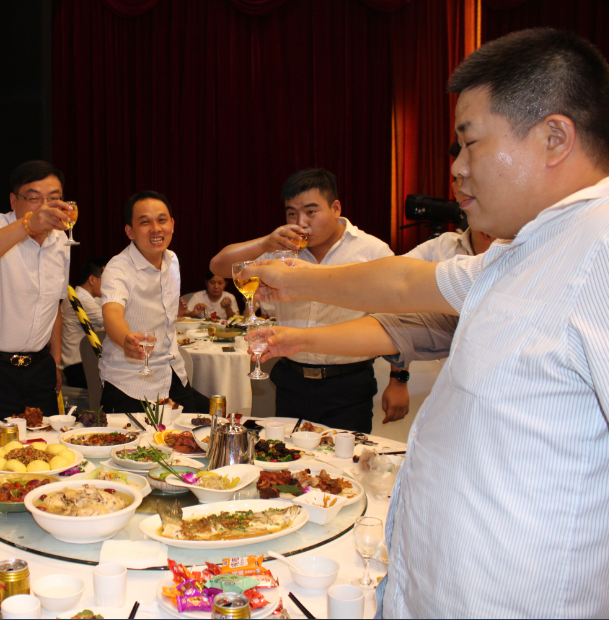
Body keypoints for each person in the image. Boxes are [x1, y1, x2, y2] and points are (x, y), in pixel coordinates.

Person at [244, 29, 609, 617]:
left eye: (470, 143)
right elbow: (403, 284)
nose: (458, 168)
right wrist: (293, 278)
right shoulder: (524, 250)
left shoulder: (598, 250)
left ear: (554, 138)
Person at [210, 168, 393, 432]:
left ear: (336, 208)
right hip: (292, 381)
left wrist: (399, 380)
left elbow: (398, 317)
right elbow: (218, 266)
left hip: (349, 384)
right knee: (287, 454)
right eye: (292, 213)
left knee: (345, 456)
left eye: (311, 211)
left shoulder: (371, 250)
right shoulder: (280, 249)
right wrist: (265, 243)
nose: (301, 223)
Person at [377, 140, 495, 423]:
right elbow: (393, 292)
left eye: (472, 176)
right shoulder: (441, 248)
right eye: (457, 178)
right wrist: (399, 378)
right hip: (452, 397)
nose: (462, 186)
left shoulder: (527, 250)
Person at [0, 161, 72, 422]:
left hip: (39, 370)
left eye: (53, 198)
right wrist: (28, 224)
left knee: (47, 443)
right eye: (34, 198)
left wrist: (55, 362)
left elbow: (54, 306)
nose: (44, 206)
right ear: (14, 200)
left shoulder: (61, 239)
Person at [99, 191, 211, 413]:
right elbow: (112, 312)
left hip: (172, 372)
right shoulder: (118, 267)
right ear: (129, 231)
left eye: (161, 220)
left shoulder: (172, 260)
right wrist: (126, 338)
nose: (156, 228)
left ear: (172, 224)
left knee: (203, 420)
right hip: (130, 381)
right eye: (145, 222)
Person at [61, 257, 107, 389]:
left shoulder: (92, 299)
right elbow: (112, 322)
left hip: (85, 365)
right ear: (92, 279)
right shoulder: (80, 300)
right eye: (106, 279)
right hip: (76, 368)